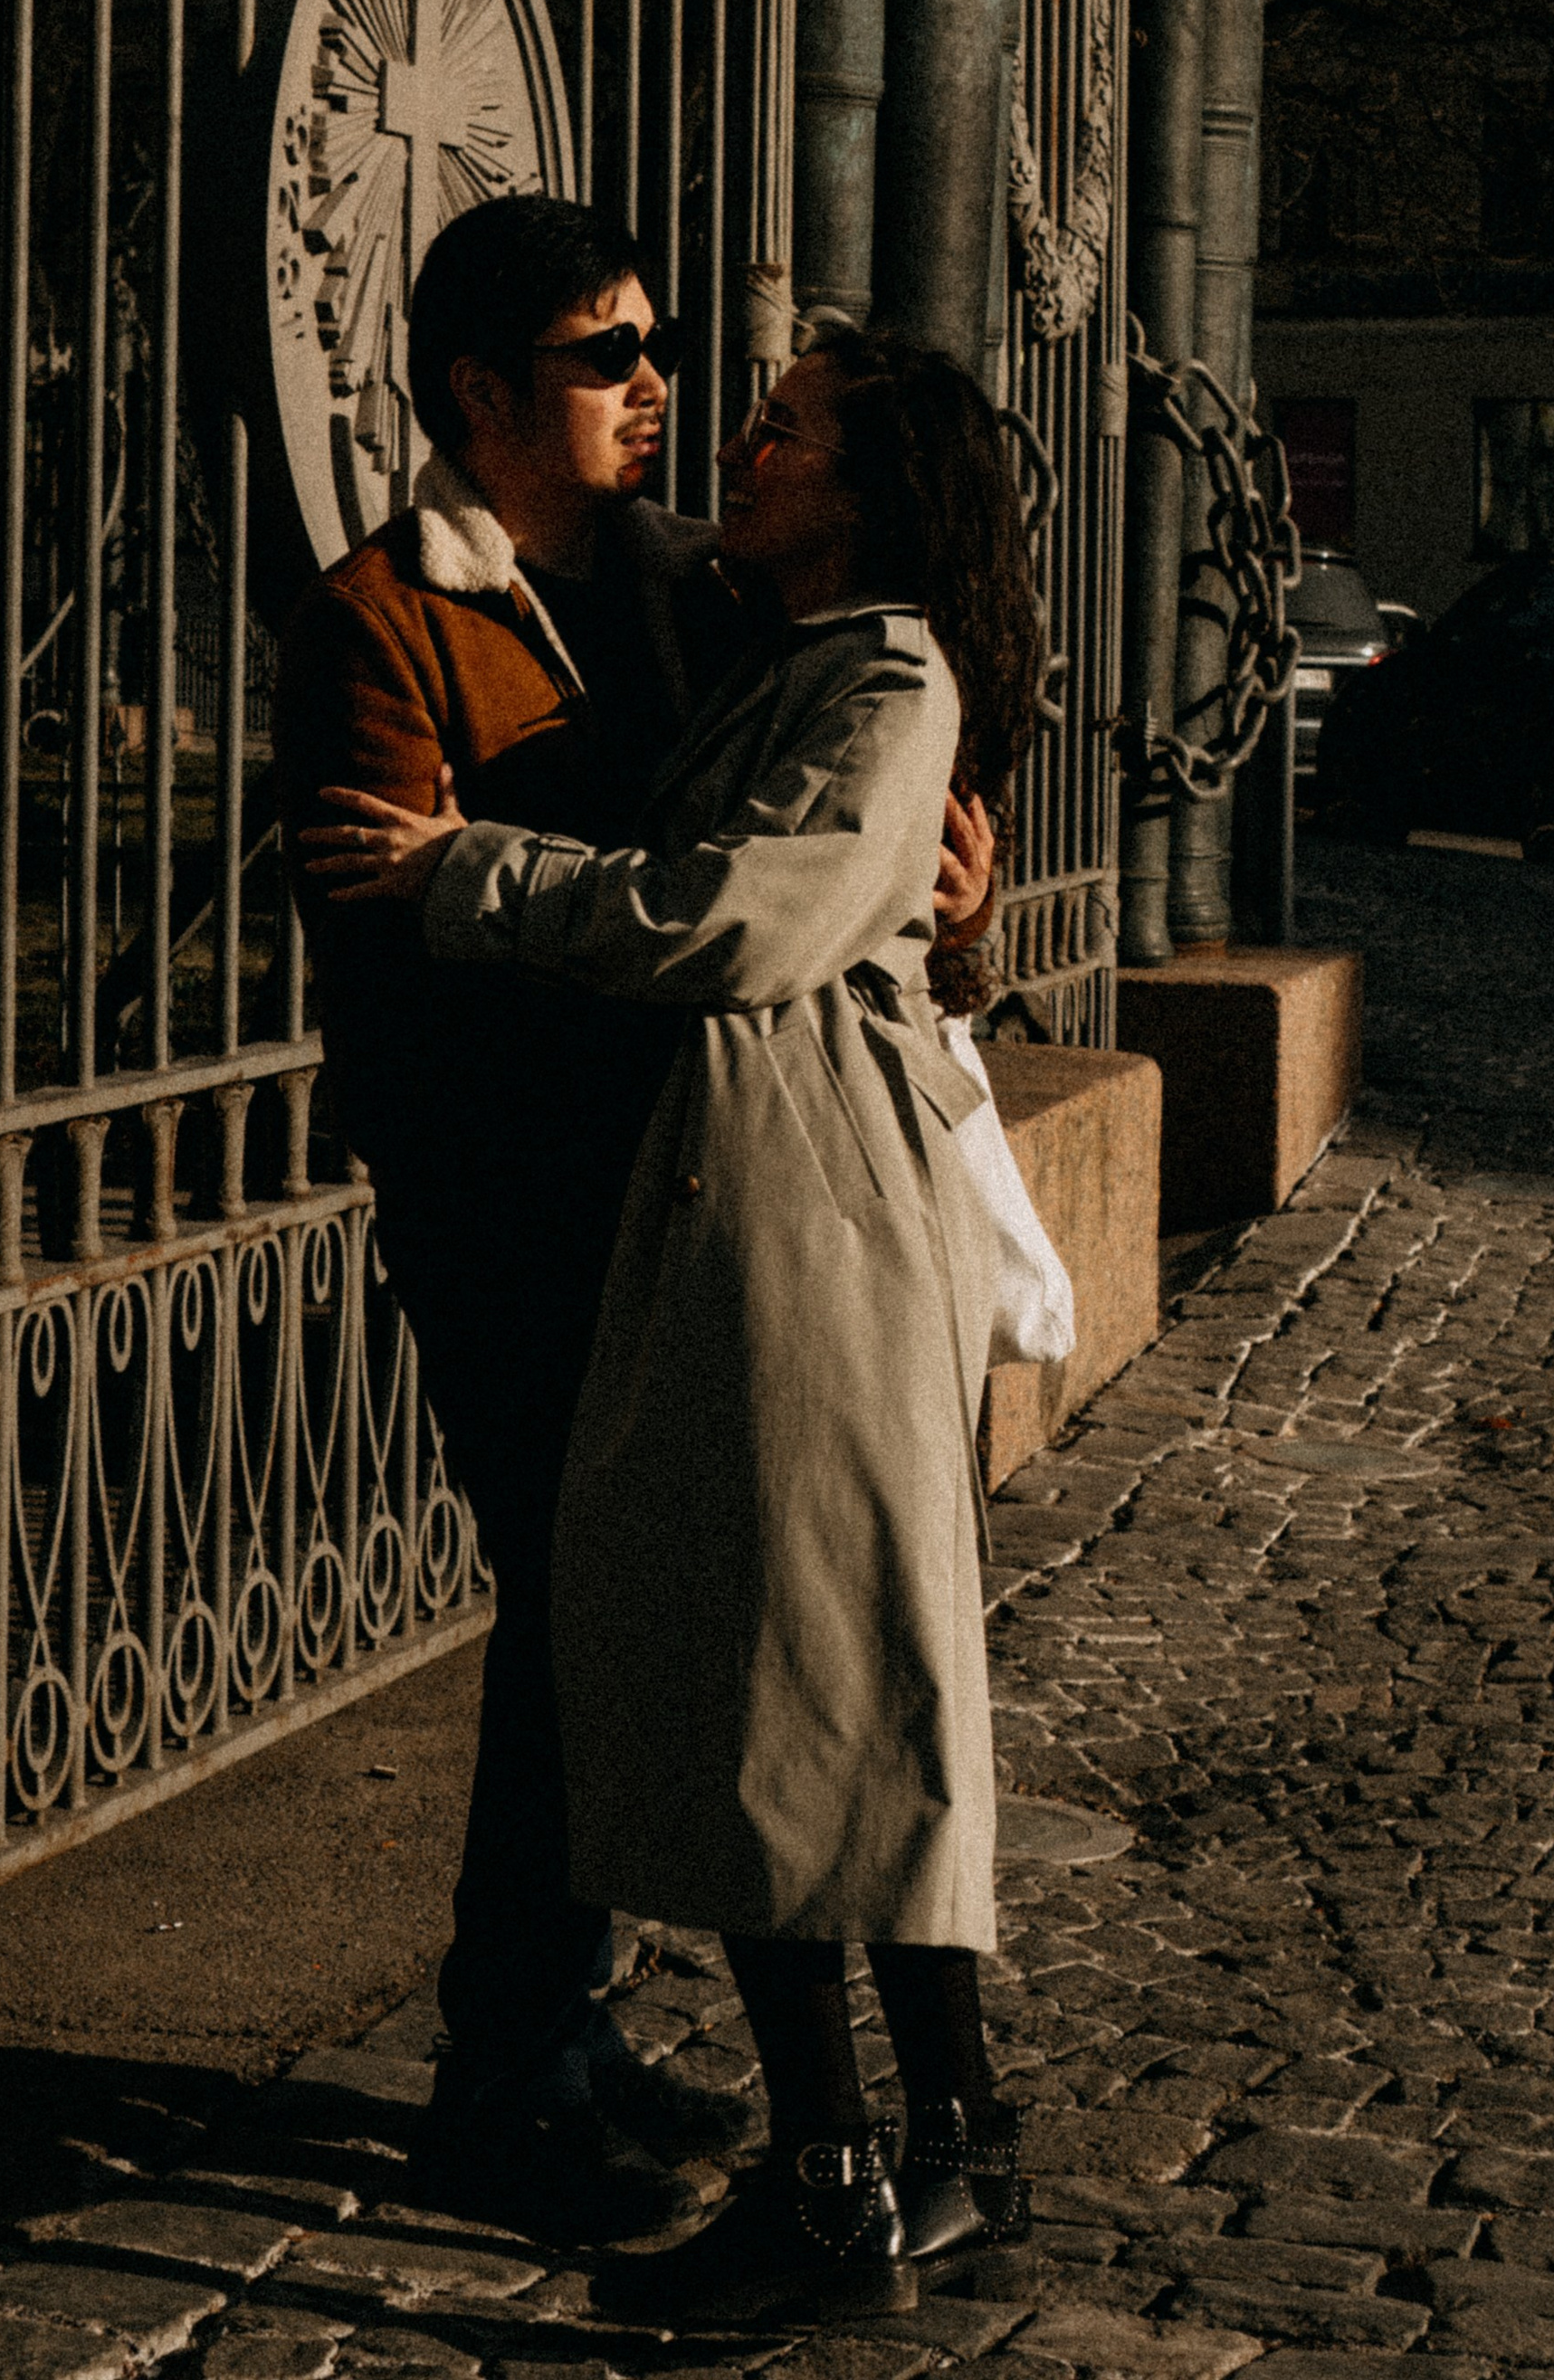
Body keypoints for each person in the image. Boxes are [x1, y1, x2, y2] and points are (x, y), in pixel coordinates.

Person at [302, 328, 1044, 2329]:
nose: (730, 436)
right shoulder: (770, 641)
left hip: (794, 1225)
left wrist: (467, 870)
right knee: (829, 1691)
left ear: (867, 493)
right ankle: (954, 2158)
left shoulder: (878, 674)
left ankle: (831, 2194)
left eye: (777, 429)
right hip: (752, 1207)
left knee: (780, 1698)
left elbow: (753, 915)